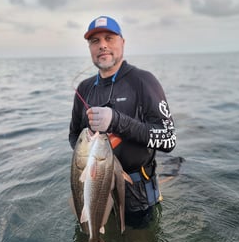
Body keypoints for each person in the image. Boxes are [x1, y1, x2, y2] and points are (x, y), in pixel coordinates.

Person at [69, 16, 176, 228]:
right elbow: (74, 136)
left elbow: (168, 139)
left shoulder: (144, 81)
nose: (103, 45)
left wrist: (117, 121)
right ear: (89, 47)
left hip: (137, 192)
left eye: (109, 38)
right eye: (95, 41)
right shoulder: (84, 88)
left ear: (122, 42)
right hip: (94, 189)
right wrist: (89, 152)